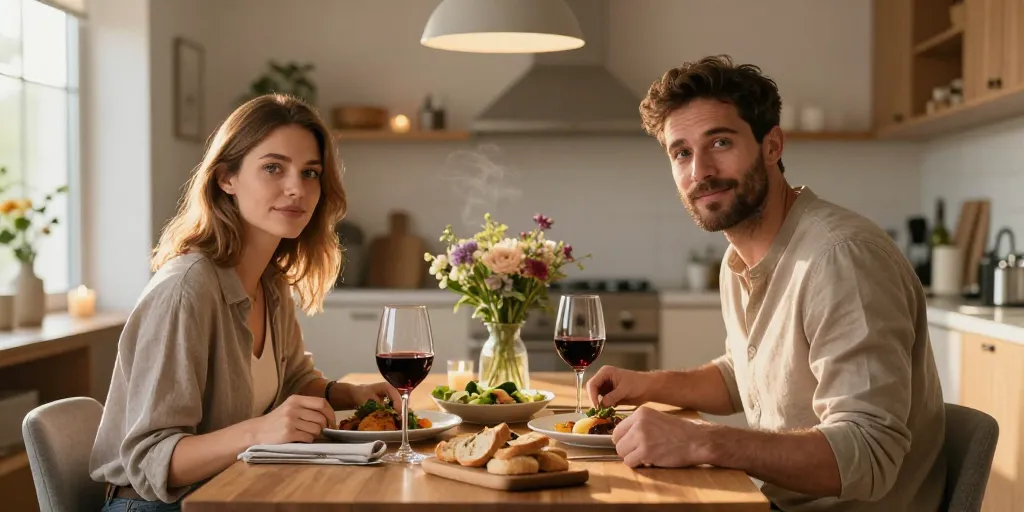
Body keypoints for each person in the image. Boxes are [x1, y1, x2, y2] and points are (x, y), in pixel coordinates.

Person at [587, 56, 946, 511]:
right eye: (681, 152)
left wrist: (703, 442)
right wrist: (646, 385)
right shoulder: (738, 259)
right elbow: (747, 376)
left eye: (719, 142)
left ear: (772, 144)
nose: (700, 171)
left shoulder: (841, 259)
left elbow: (869, 456)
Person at [90, 94, 401, 510]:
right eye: (273, 168)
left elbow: (291, 382)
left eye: (310, 173)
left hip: (237, 491)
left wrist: (348, 393)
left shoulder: (270, 281)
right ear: (226, 179)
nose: (296, 188)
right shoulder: (186, 289)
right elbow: (151, 459)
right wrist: (260, 431)